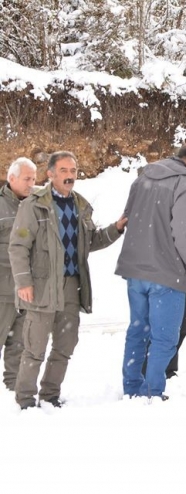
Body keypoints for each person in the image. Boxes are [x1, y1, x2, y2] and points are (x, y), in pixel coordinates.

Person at [9, 151, 126, 409]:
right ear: (50, 174)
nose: (70, 176)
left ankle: (50, 395)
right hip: (41, 285)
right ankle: (25, 400)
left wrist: (116, 229)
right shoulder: (34, 205)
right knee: (34, 348)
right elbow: (18, 246)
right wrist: (23, 282)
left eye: (73, 171)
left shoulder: (80, 207)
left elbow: (90, 241)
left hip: (72, 285)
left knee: (65, 345)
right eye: (64, 170)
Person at [116, 142, 186, 400]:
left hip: (136, 269)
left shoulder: (143, 178)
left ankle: (132, 388)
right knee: (165, 337)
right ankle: (152, 392)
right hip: (168, 272)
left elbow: (127, 217)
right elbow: (184, 232)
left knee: (138, 330)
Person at [0, 158, 37, 391]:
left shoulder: (35, 206)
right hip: (1, 289)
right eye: (27, 179)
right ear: (11, 178)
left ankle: (12, 390)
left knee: (19, 346)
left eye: (34, 179)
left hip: (26, 291)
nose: (31, 184)